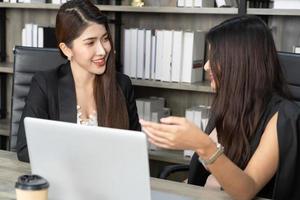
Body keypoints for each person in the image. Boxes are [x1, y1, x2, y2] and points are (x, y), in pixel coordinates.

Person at [140, 16, 300, 200]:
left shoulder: (283, 116)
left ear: (240, 63)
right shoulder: (229, 104)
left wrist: (203, 145)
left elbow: (247, 189)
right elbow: (202, 176)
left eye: (214, 58)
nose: (207, 66)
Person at [16, 0, 141, 162]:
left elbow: (135, 150)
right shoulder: (45, 84)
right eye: (90, 42)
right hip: (63, 181)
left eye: (105, 39)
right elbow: (25, 149)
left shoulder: (122, 85)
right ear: (67, 49)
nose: (102, 51)